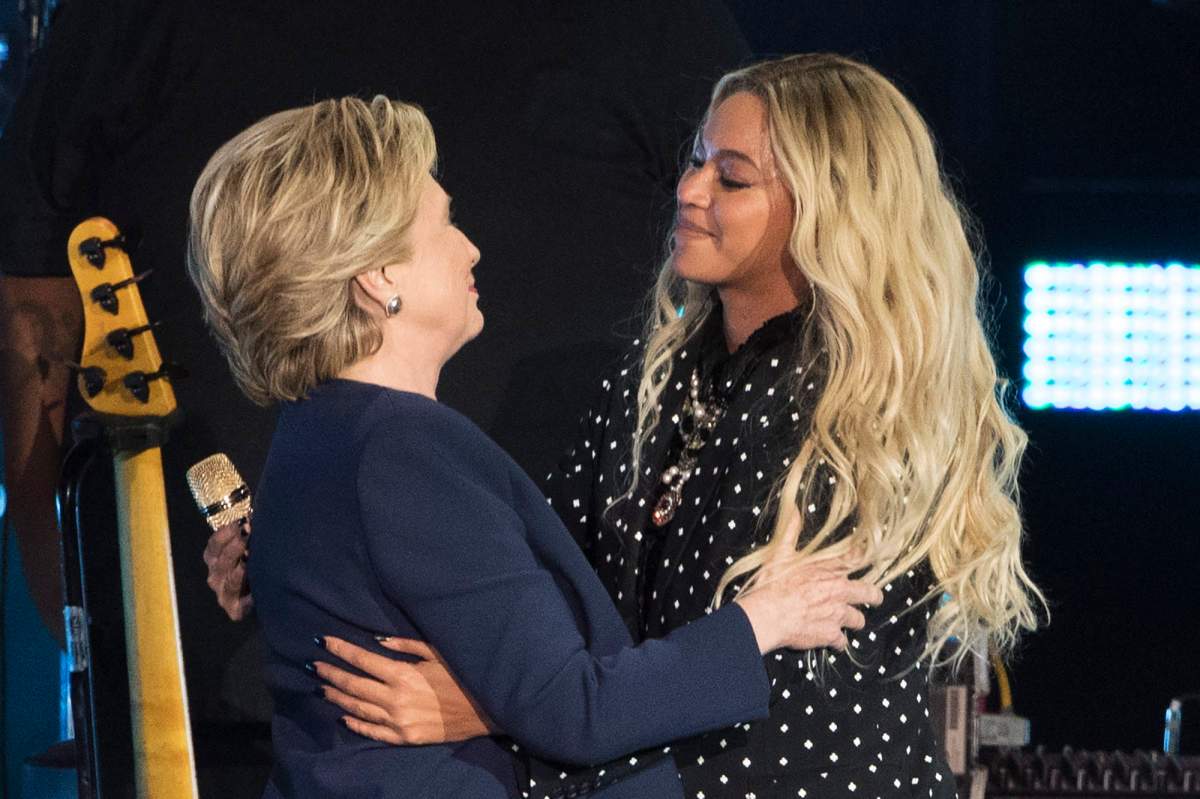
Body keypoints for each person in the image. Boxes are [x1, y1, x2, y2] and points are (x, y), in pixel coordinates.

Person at [242, 53, 1045, 799]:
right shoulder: (653, 380)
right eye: (696, 160)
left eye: (731, 177)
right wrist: (300, 552)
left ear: (829, 211)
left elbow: (781, 718)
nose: (689, 190)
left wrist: (497, 716)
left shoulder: (861, 414)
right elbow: (543, 603)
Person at [0, 1, 747, 793]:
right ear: (378, 275)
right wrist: (761, 625)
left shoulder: (317, 432)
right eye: (446, 224)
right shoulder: (405, 447)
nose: (472, 248)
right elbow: (574, 704)